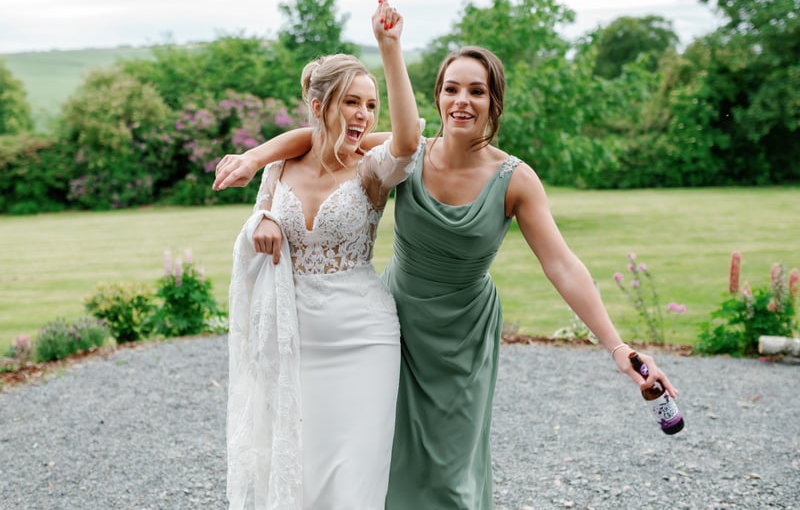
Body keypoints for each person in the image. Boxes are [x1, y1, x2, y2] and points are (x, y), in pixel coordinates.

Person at [216, 45, 679, 508]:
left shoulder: (515, 179)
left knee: (450, 477)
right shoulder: (410, 152)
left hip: (463, 335)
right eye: (451, 89)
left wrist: (617, 346)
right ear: (437, 97)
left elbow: (562, 264)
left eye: (477, 91)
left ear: (494, 102)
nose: (462, 101)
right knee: (387, 467)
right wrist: (254, 164)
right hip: (396, 324)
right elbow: (318, 135)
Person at [225, 0, 420, 510]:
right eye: (352, 102)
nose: (364, 114)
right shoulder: (279, 168)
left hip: (365, 340)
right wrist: (263, 220)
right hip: (294, 343)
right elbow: (257, 224)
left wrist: (389, 47)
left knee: (353, 484)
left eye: (370, 105)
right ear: (318, 106)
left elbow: (409, 139)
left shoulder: (371, 169)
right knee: (300, 476)